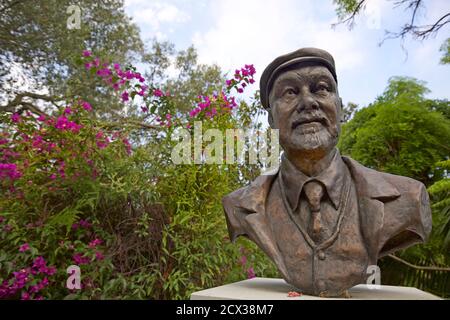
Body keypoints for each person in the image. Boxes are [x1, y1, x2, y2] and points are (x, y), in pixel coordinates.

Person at [222, 47, 432, 297]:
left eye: (321, 88)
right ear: (271, 120)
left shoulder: (407, 197)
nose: (308, 102)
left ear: (340, 108)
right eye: (289, 92)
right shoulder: (241, 206)